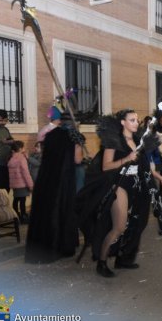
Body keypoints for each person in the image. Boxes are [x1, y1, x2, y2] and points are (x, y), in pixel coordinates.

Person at [76, 109, 153, 277]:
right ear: (122, 122)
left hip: (136, 185)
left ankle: (122, 259)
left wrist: (160, 178)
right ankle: (102, 263)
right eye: (132, 120)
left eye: (137, 119)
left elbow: (143, 165)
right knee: (118, 227)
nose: (136, 122)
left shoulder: (137, 140)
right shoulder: (113, 141)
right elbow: (106, 166)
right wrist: (126, 159)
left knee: (134, 224)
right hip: (120, 185)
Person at [25, 113, 84, 264]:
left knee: (46, 212)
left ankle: (42, 249)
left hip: (46, 179)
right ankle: (61, 248)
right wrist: (79, 145)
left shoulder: (49, 135)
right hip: (63, 180)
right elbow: (78, 159)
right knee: (61, 211)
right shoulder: (74, 136)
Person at [8, 140, 33, 224]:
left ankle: (16, 216)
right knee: (22, 202)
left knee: (16, 200)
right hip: (22, 184)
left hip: (14, 185)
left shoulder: (11, 159)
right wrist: (31, 185)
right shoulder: (21, 159)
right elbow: (26, 173)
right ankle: (23, 217)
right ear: (21, 148)